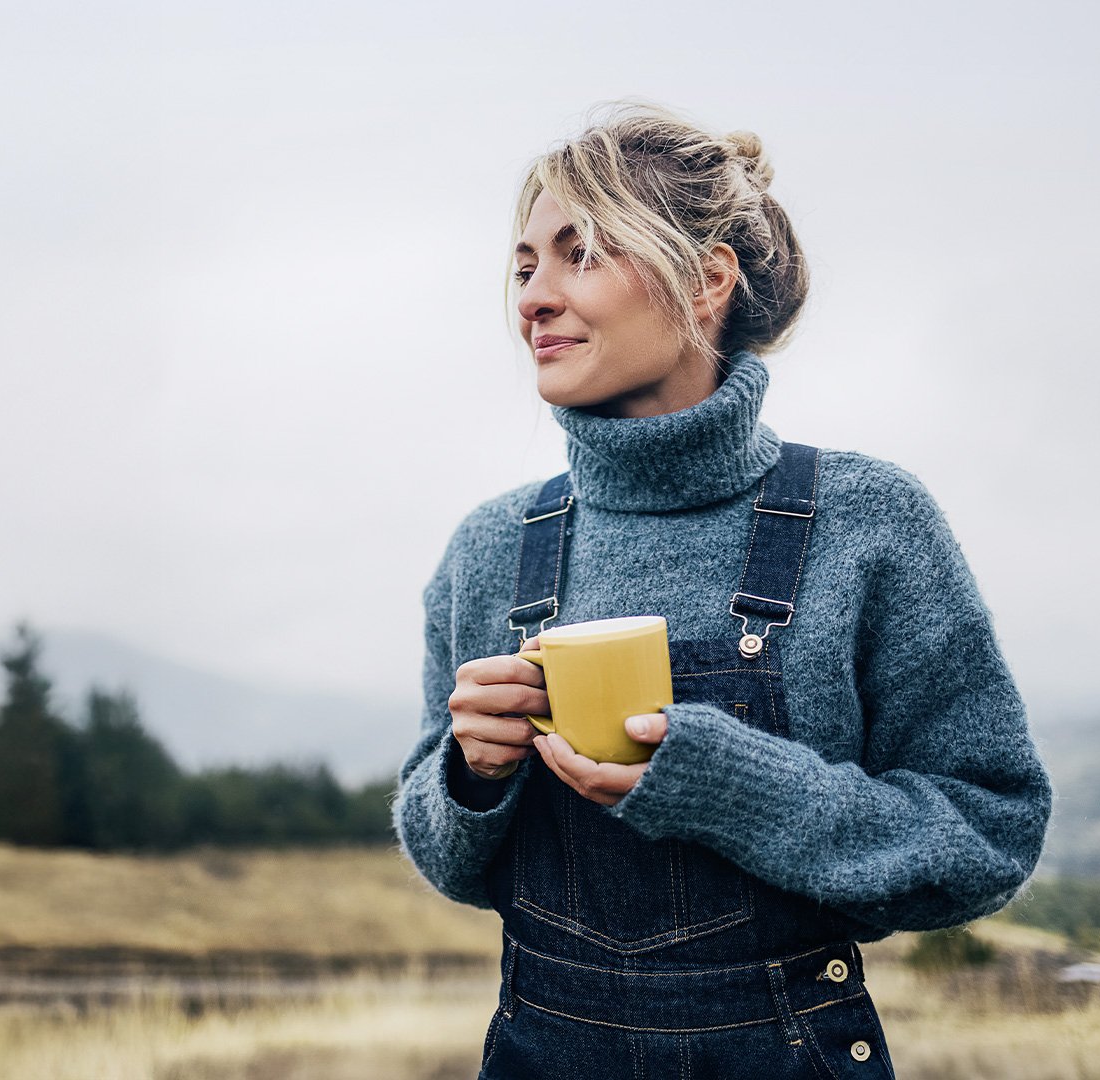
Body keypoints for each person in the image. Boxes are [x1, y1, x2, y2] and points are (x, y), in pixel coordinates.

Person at [391, 100, 1052, 1079]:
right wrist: (470, 777)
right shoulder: (492, 547)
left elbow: (987, 835)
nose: (531, 296)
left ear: (706, 283)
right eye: (525, 263)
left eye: (582, 254)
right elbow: (445, 857)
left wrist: (727, 786)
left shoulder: (868, 522)